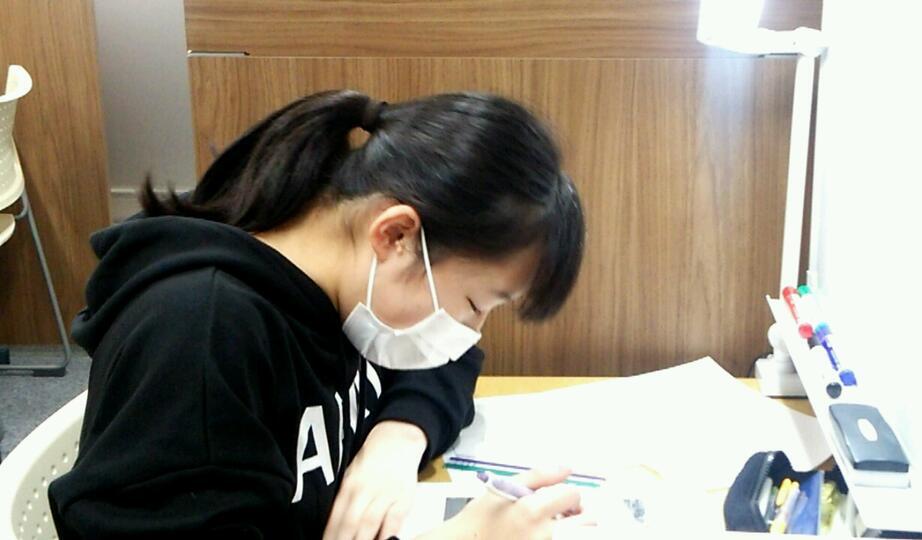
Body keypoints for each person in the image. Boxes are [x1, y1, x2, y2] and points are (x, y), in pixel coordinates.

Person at [48, 90, 586, 539]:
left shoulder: (342, 279)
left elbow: (444, 365)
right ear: (396, 235)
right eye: (473, 305)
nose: (465, 334)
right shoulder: (201, 339)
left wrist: (396, 440)